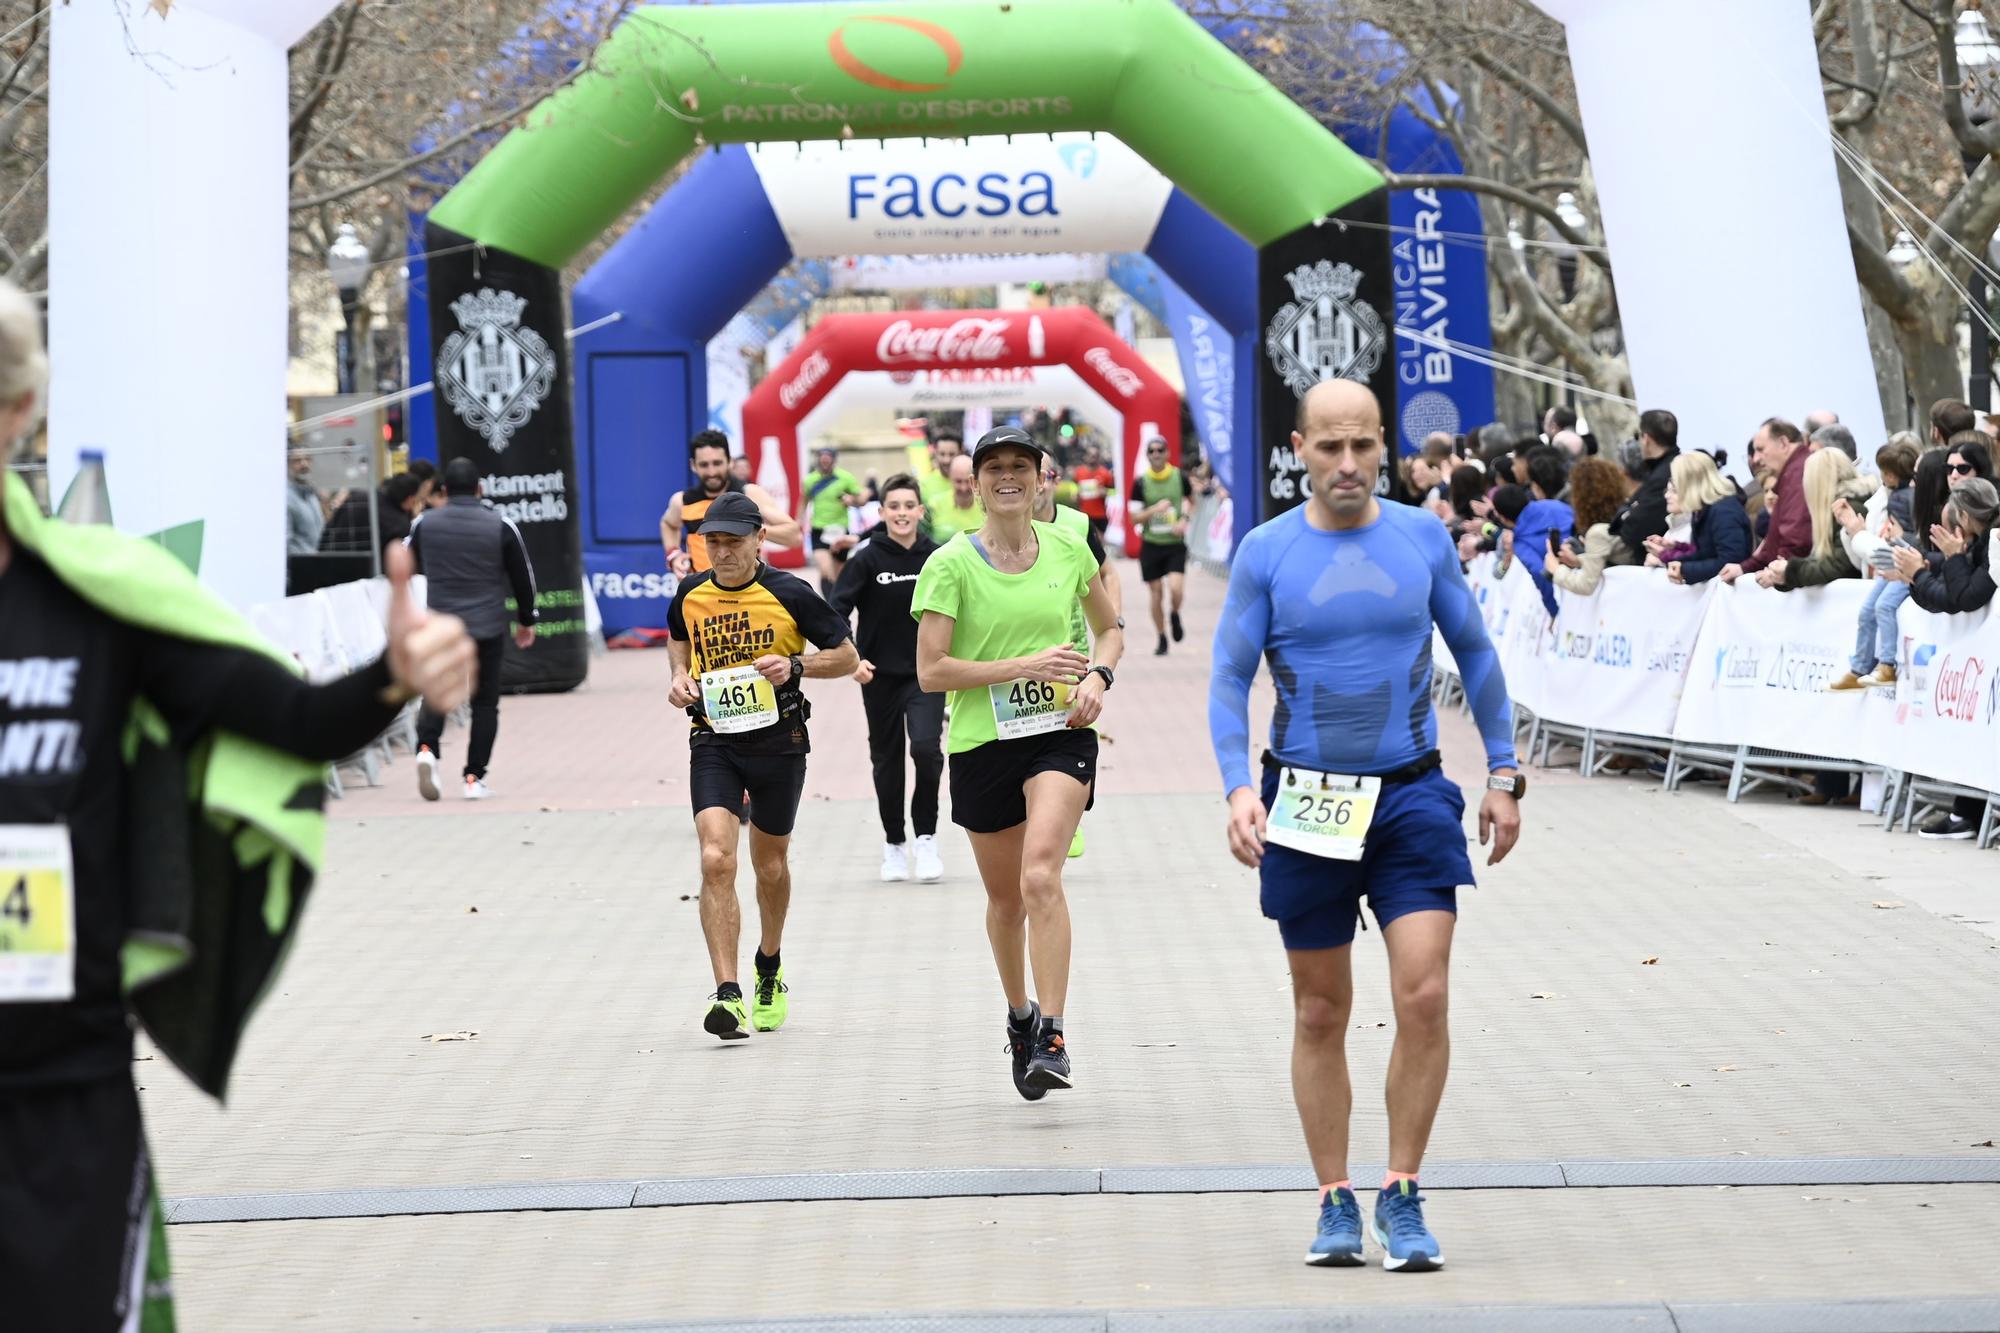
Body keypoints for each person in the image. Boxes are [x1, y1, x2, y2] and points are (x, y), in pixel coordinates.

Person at [0, 276, 479, 1333]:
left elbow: (290, 724)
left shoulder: (95, 594)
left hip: (57, 1096)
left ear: (19, 411)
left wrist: (393, 675)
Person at [1208, 379, 1521, 1274]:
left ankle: (1404, 1189)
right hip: (1304, 800)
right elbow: (1230, 679)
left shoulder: (1420, 536)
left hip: (1413, 793)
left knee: (1423, 994)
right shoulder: (1267, 551)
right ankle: (1334, 1199)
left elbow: (1476, 652)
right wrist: (1239, 790)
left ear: (1383, 444)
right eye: (1329, 448)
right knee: (1320, 1009)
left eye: (1363, 447)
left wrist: (1503, 774)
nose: (1348, 465)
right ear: (1300, 448)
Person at [912, 426, 1123, 1098]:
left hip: (1061, 732)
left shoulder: (1068, 543)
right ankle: (1020, 1014)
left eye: (1021, 466)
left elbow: (1110, 629)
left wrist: (1098, 679)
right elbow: (930, 671)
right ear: (975, 482)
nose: (1009, 476)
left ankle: (1053, 1032)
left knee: (1040, 876)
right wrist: (1024, 664)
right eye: (994, 466)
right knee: (1006, 902)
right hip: (982, 743)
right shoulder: (949, 564)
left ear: (1038, 479)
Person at [667, 492, 858, 1039]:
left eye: (732, 542)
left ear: (759, 540)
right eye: (712, 542)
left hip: (780, 742)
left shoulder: (791, 593)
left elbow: (846, 655)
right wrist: (679, 678)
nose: (721, 553)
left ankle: (768, 965)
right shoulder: (690, 593)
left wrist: (796, 665)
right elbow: (680, 643)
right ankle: (727, 995)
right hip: (714, 741)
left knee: (769, 867)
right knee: (715, 858)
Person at [830, 474, 946, 884]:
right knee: (887, 760)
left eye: (908, 506)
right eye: (892, 506)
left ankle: (927, 837)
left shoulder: (937, 557)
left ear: (919, 511)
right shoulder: (866, 558)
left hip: (926, 675)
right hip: (877, 676)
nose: (901, 513)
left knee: (928, 750)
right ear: (881, 513)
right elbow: (835, 612)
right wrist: (852, 660)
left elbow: (959, 612)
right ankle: (895, 844)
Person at [404, 458, 539, 801]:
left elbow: (405, 565)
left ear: (445, 491)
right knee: (484, 703)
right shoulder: (501, 525)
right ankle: (473, 778)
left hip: (440, 625)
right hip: (486, 627)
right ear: (480, 489)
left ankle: (426, 748)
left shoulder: (424, 523)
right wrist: (527, 620)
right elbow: (523, 577)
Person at [1033, 448, 1123, 860]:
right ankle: (1040, 815)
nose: (1038, 484)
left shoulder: (1077, 524)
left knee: (1072, 731)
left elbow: (1107, 573)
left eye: (1044, 474)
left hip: (1074, 653)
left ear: (1052, 480)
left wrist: (1113, 622)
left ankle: (1069, 818)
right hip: (1024, 652)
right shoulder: (1001, 525)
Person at [1827, 440, 1919, 691]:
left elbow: (1912, 540)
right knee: (1868, 610)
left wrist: (1894, 544)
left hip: (1902, 568)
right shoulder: (1893, 497)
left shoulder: (1903, 499)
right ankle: (1859, 667)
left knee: (1882, 607)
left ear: (1890, 473)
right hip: (1890, 566)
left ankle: (1887, 664)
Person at [659, 430, 800, 580]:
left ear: (730, 462)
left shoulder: (750, 494)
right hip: (703, 593)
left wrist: (749, 529)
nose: (712, 472)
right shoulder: (682, 501)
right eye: (704, 465)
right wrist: (673, 554)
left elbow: (795, 537)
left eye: (717, 463)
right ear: (693, 465)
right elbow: (668, 524)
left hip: (747, 592)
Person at [1756, 449, 1875, 592]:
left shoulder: (1847, 508)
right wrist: (1784, 575)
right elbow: (1823, 561)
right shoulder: (1836, 508)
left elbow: (1840, 567)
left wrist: (1790, 572)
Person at [1721, 418, 1812, 584]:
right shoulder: (1793, 472)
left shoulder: (1798, 473)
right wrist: (1744, 568)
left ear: (1783, 443)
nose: (1755, 459)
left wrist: (1778, 570)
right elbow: (1776, 539)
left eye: (1760, 450)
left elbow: (1797, 538)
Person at [1130, 436, 1194, 655]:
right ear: (1147, 456)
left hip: (1174, 544)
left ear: (1167, 453)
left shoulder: (1179, 477)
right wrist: (1154, 509)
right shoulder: (1141, 482)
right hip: (1151, 544)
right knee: (1156, 593)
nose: (1156, 454)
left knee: (1176, 589)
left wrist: (1184, 519)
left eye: (1160, 450)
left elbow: (1190, 499)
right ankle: (1161, 636)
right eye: (1152, 451)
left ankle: (1175, 613)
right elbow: (1134, 518)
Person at [1659, 451, 1753, 585]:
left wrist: (1686, 569)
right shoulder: (1704, 510)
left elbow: (1730, 561)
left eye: (1677, 483)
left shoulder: (1723, 511)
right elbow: (1706, 553)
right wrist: (1680, 565)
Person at [1547, 457, 1628, 597]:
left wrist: (1556, 570)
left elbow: (1585, 585)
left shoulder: (1597, 533)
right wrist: (1579, 561)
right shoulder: (1624, 514)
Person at [1609, 408, 1679, 565]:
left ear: (1646, 438)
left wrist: (1627, 515)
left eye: (1639, 436)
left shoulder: (1663, 476)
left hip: (1658, 561)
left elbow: (1633, 531)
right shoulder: (1664, 469)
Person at [1510, 445, 1574, 616]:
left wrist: (1555, 612)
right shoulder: (1571, 502)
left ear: (1537, 486)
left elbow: (1539, 572)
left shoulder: (1566, 507)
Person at [804, 446, 864, 596]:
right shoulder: (810, 480)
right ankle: (830, 606)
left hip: (840, 531)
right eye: (822, 461)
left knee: (838, 574)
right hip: (819, 528)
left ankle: (838, 603)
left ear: (834, 461)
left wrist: (852, 500)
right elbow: (803, 501)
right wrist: (798, 521)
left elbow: (861, 499)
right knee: (825, 569)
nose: (824, 463)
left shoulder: (845, 478)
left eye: (827, 461)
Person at [319, 472, 422, 556]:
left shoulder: (358, 497)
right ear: (410, 499)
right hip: (365, 574)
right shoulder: (399, 525)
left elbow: (329, 527)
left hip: (331, 562)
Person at [930, 454, 985, 539]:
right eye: (958, 481)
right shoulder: (935, 505)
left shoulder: (987, 505)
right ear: (950, 478)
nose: (964, 488)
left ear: (975, 480)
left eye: (968, 481)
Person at [1072, 444, 1116, 546]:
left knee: (1100, 543)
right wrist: (1075, 496)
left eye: (1095, 455)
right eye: (1090, 455)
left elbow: (1114, 493)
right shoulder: (1079, 472)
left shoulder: (1105, 474)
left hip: (1101, 515)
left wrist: (1104, 492)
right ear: (1085, 456)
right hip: (1084, 514)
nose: (1093, 458)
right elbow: (1074, 489)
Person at [286, 446, 326, 554]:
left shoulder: (312, 496)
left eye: (307, 459)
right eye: (297, 460)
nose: (304, 464)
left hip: (318, 562)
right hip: (300, 566)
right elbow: (286, 543)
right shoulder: (286, 499)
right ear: (288, 465)